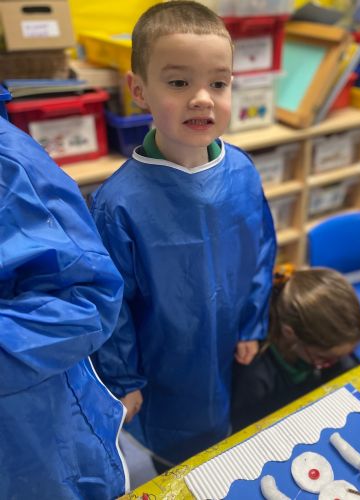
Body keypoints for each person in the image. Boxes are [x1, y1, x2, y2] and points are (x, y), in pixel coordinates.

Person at [90, 0, 276, 469]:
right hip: (164, 363)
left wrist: (252, 323)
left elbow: (260, 251)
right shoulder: (119, 202)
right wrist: (124, 377)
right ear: (139, 90)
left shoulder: (241, 171)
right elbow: (112, 301)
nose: (202, 98)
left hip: (231, 345)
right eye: (178, 83)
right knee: (179, 463)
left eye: (218, 83)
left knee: (231, 446)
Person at [0, 117, 128, 498]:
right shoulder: (122, 195)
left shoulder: (11, 162)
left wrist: (126, 380)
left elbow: (90, 299)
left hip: (35, 444)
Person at [231, 267, 360, 432]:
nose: (334, 363)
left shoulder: (327, 348)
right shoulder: (255, 380)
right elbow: (249, 433)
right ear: (289, 333)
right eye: (324, 359)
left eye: (346, 354)